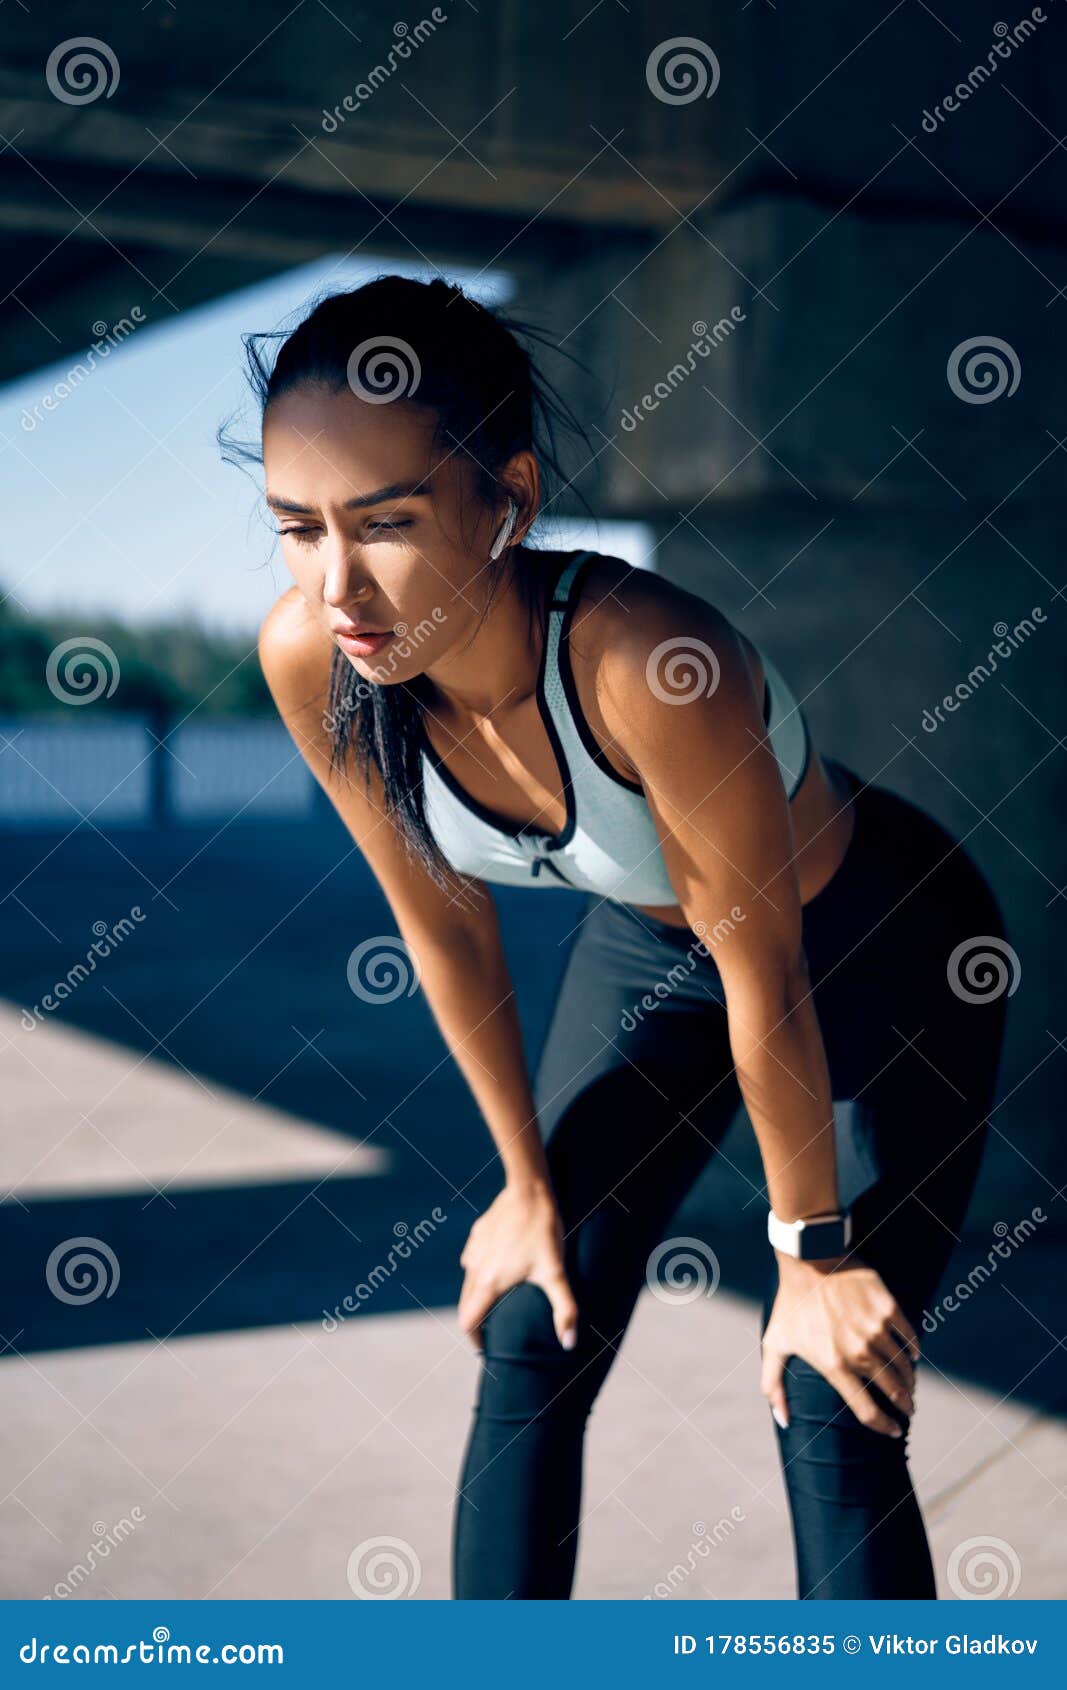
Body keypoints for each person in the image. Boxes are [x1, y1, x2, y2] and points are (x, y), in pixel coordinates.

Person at [234, 273, 1012, 1599]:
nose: (338, 580)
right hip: (657, 958)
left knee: (831, 1383)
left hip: (876, 951)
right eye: (297, 527)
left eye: (388, 522)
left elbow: (766, 973)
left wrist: (810, 1256)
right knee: (534, 1319)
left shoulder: (648, 664)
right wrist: (527, 1189)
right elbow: (446, 927)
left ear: (510, 501)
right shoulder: (316, 656)